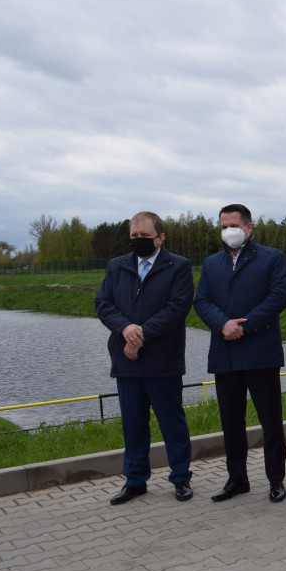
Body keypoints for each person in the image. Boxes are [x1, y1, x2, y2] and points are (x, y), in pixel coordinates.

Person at [95, 211, 194, 505]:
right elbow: (103, 303)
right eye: (134, 237)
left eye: (145, 236)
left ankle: (180, 479)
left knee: (172, 423)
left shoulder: (178, 266)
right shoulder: (117, 266)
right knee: (133, 425)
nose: (138, 241)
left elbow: (177, 309)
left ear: (160, 237)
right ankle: (135, 480)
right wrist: (125, 329)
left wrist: (141, 335)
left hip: (162, 359)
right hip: (126, 360)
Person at [194, 204, 286, 503]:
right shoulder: (211, 263)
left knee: (270, 421)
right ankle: (237, 479)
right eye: (222, 226)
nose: (227, 231)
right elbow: (202, 301)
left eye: (232, 225)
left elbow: (278, 298)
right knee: (231, 422)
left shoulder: (272, 258)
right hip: (225, 353)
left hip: (260, 351)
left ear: (248, 227)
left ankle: (276, 479)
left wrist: (243, 327)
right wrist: (223, 324)